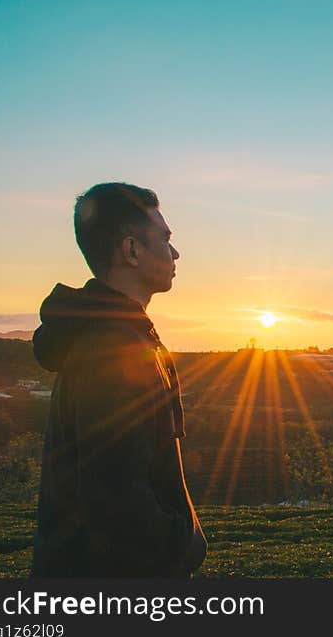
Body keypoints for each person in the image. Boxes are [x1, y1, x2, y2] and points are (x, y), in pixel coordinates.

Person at [30, 182, 207, 577]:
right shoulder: (112, 352)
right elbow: (116, 500)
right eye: (165, 238)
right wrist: (184, 544)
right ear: (131, 250)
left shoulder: (117, 336)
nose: (175, 252)